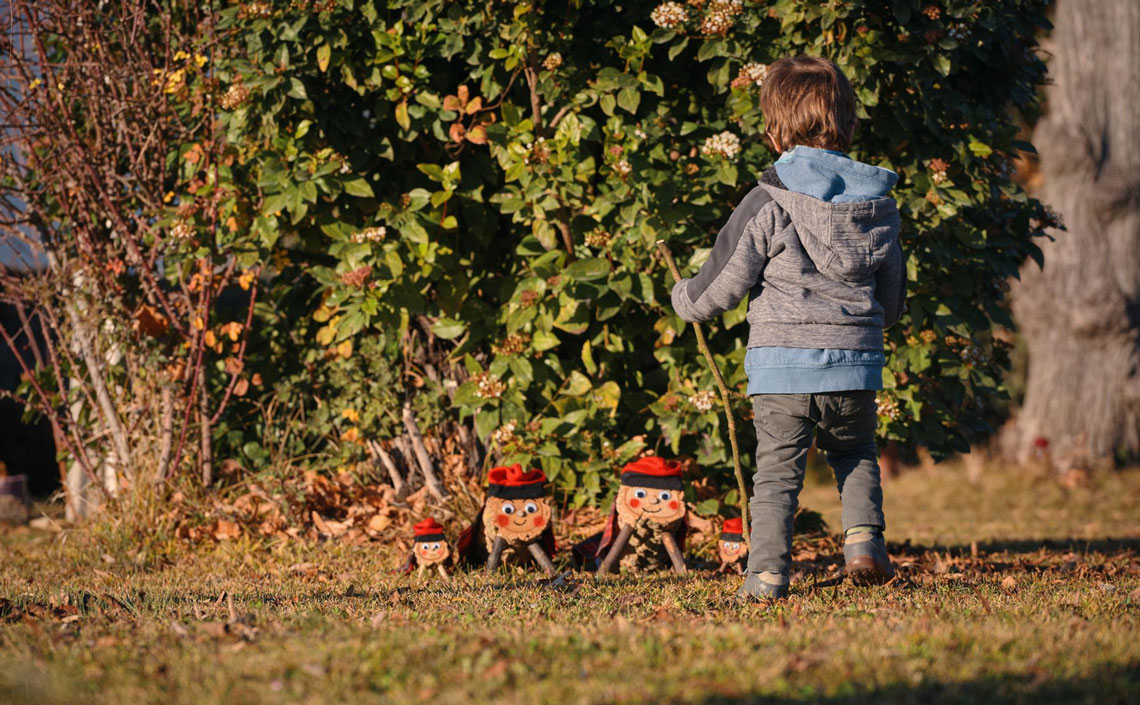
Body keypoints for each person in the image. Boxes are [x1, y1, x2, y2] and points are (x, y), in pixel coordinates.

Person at [669, 55, 905, 600]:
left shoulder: (766, 200)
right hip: (854, 364)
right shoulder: (877, 206)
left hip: (783, 369)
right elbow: (891, 301)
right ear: (847, 124)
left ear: (774, 131)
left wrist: (684, 298)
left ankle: (768, 575)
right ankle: (865, 546)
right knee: (855, 454)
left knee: (776, 474)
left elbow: (721, 285)